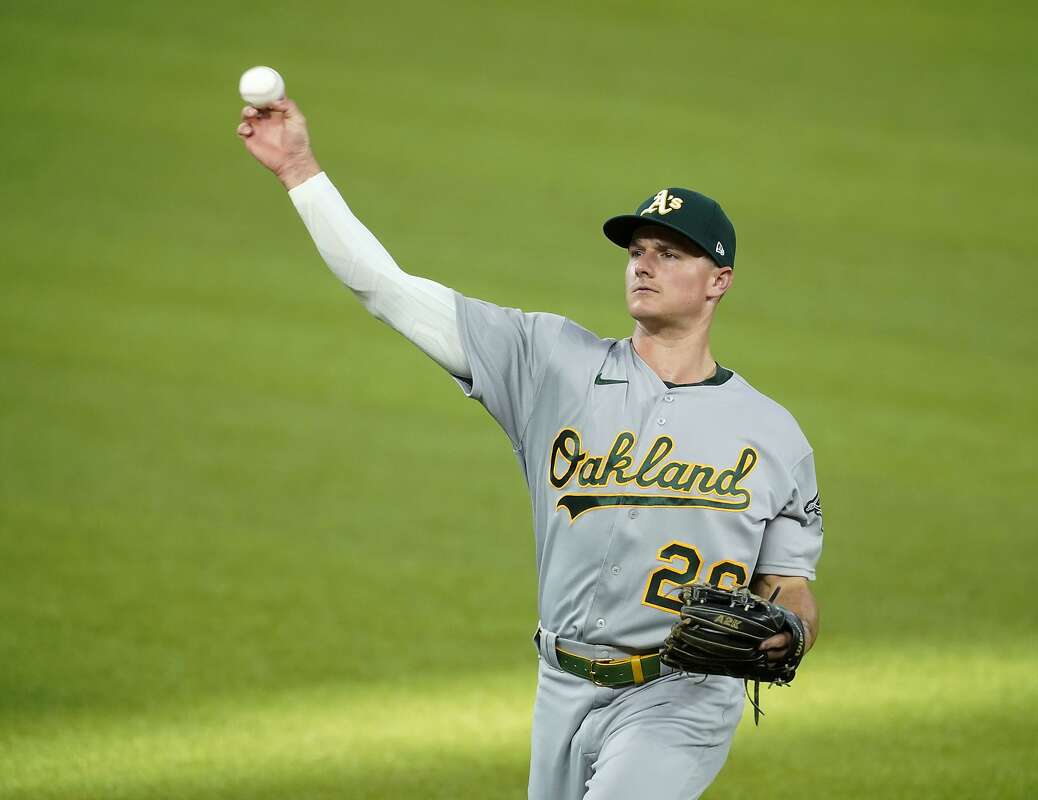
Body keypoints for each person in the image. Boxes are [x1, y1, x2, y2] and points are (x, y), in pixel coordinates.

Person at [237, 97, 823, 800]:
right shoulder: (547, 361)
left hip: (681, 700)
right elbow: (386, 289)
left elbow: (789, 586)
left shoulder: (772, 433)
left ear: (718, 282)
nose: (644, 265)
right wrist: (299, 169)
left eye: (671, 254)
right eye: (637, 251)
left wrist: (791, 631)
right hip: (560, 686)